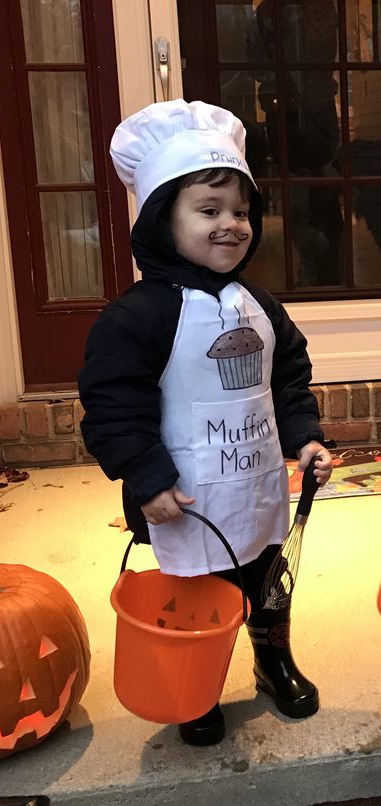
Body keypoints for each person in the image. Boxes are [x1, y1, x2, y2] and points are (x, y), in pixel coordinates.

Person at [78, 99, 332, 746]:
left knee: (268, 582)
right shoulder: (137, 317)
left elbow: (289, 375)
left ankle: (272, 660)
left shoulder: (259, 307)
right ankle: (198, 682)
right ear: (164, 221)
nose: (232, 225)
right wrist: (144, 474)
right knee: (198, 600)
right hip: (185, 500)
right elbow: (114, 403)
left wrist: (305, 437)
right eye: (209, 210)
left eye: (242, 212)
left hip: (256, 488)